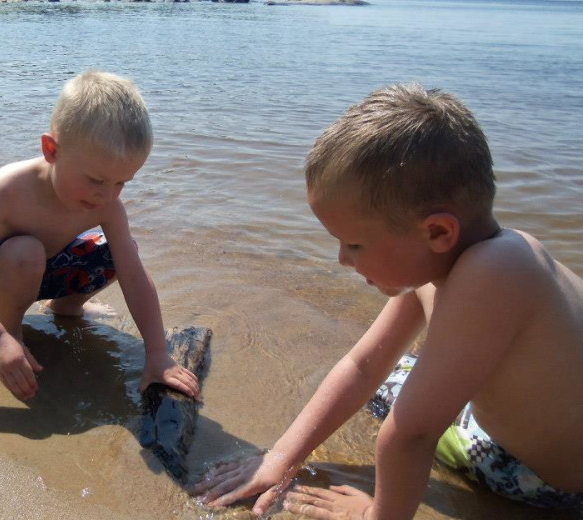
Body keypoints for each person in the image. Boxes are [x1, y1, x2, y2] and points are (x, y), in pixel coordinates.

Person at [192, 84, 583, 518]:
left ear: (436, 232)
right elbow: (363, 365)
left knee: (401, 407)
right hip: (527, 430)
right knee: (388, 376)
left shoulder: (494, 269)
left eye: (354, 245)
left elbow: (410, 435)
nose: (342, 259)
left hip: (542, 480)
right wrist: (280, 456)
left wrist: (377, 514)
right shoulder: (450, 264)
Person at [0, 70, 199, 402]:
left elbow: (133, 274)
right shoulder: (7, 189)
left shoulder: (107, 203)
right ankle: (12, 333)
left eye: (122, 182)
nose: (107, 195)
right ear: (52, 150)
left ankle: (65, 307)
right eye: (96, 180)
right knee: (25, 252)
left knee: (119, 250)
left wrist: (158, 353)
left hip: (48, 270)